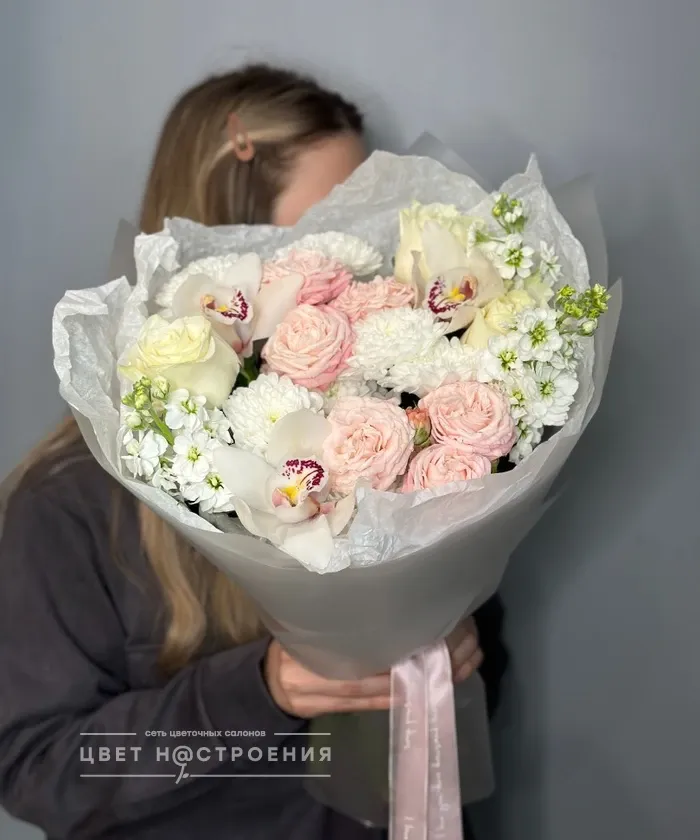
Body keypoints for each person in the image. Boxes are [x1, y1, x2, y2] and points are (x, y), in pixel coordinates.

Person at [0, 64, 506, 840]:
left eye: (369, 224)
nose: (356, 263)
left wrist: (451, 657)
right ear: (223, 250)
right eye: (325, 230)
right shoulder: (70, 504)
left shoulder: (406, 434)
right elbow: (39, 768)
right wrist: (258, 692)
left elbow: (479, 677)